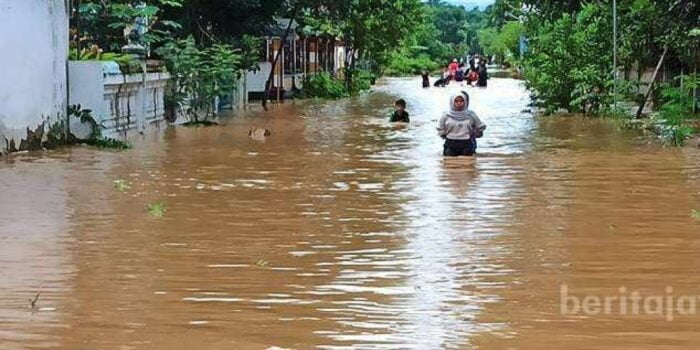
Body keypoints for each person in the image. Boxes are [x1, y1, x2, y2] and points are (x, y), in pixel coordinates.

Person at [437, 92, 486, 157]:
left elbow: (480, 127)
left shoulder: (471, 114)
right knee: (449, 164)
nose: (459, 103)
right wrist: (443, 135)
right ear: (452, 102)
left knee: (467, 164)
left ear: (465, 102)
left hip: (466, 143)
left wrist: (475, 134)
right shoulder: (446, 115)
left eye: (461, 101)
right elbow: (440, 128)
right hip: (450, 143)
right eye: (456, 101)